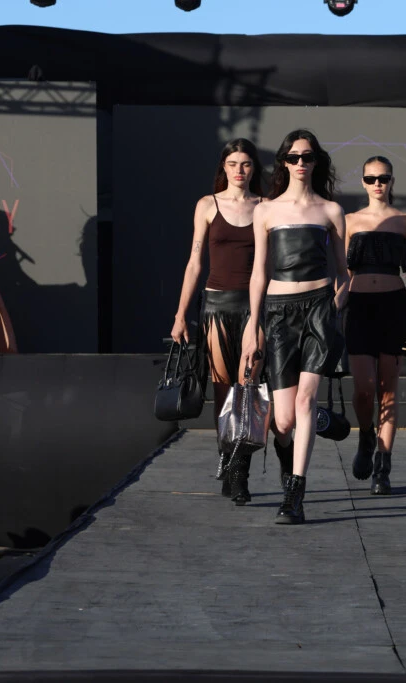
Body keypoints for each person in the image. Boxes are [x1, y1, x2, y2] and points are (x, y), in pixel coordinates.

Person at [241, 129, 348, 525]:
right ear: (283, 163)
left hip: (319, 308)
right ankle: (303, 439)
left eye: (307, 157)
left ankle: (295, 493)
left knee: (304, 400)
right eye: (293, 157)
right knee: (282, 419)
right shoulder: (265, 211)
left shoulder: (331, 211)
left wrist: (334, 306)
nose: (300, 163)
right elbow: (258, 273)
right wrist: (254, 324)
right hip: (278, 311)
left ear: (316, 162)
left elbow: (344, 272)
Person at [171, 139, 264, 498]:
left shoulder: (266, 206)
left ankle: (241, 473)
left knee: (248, 391)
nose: (239, 170)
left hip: (254, 308)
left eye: (245, 164)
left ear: (253, 168)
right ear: (223, 168)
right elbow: (195, 262)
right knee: (225, 393)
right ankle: (226, 458)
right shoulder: (207, 206)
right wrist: (180, 314)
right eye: (233, 164)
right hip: (215, 307)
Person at [344, 156, 406, 495]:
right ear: (363, 181)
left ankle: (383, 464)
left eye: (384, 178)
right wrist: (332, 308)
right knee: (363, 386)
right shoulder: (348, 220)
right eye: (371, 178)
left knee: (388, 388)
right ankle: (365, 434)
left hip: (394, 305)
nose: (378, 183)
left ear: (392, 181)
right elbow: (342, 272)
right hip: (359, 307)